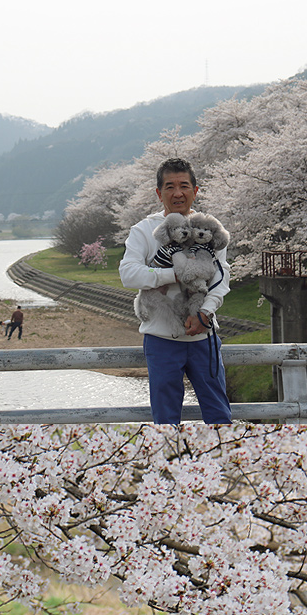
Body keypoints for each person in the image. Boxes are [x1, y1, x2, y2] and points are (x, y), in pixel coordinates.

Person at [119, 157, 232, 425]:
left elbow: (221, 276)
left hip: (204, 336)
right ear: (159, 193)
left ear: (195, 190)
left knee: (218, 413)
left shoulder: (210, 228)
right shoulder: (145, 230)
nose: (178, 193)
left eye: (184, 185)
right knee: (166, 418)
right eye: (170, 186)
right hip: (160, 339)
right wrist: (174, 274)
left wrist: (205, 313)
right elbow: (128, 273)